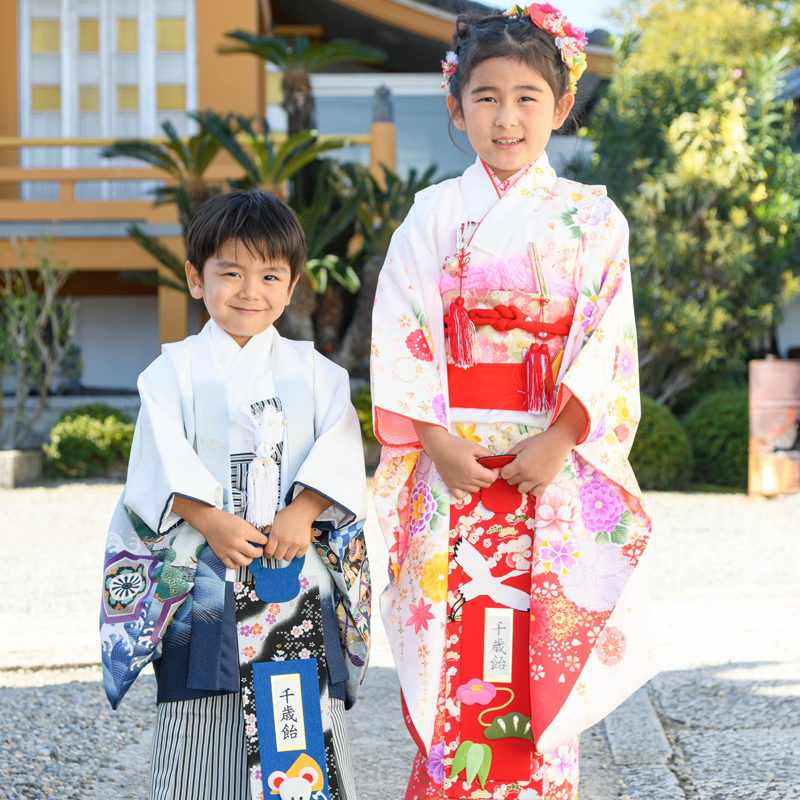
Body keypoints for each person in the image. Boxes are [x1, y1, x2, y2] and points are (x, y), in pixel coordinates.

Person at [370, 6, 658, 799]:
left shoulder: (593, 220)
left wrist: (560, 440)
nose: (506, 117)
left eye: (528, 97)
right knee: (452, 650)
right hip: (452, 463)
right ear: (457, 107)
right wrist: (435, 440)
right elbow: (402, 331)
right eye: (486, 97)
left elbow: (608, 343)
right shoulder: (432, 215)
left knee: (537, 652)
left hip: (547, 468)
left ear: (561, 107)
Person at [99, 190, 371, 800]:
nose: (251, 290)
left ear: (293, 286)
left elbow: (339, 452)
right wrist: (208, 518)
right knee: (201, 725)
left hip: (292, 577)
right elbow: (157, 463)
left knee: (298, 729)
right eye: (231, 273)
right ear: (196, 278)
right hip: (204, 577)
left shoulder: (319, 374)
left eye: (270, 275)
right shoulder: (169, 373)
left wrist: (304, 510)